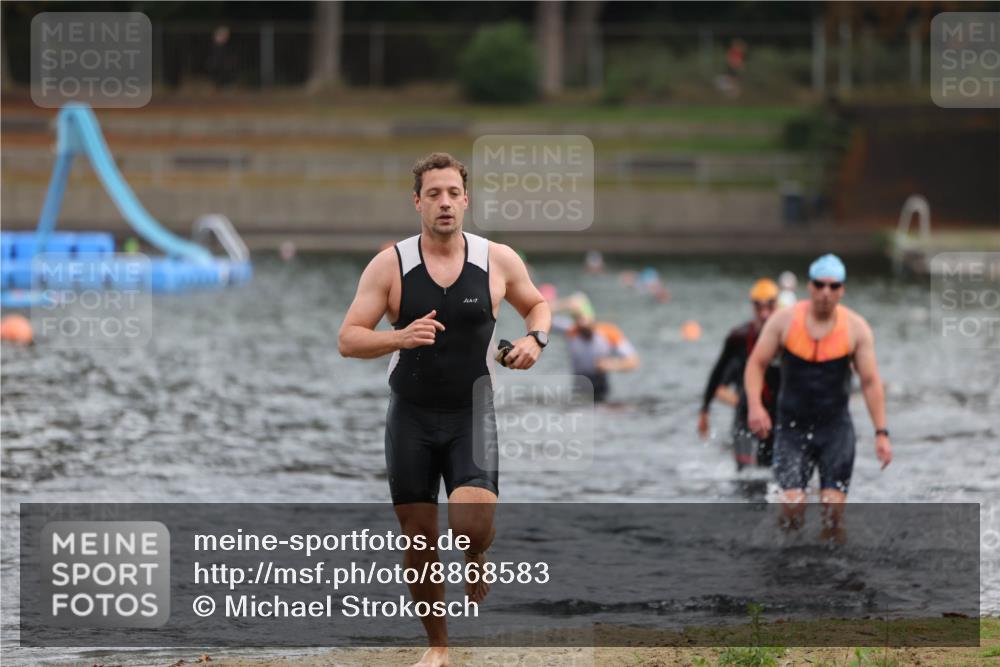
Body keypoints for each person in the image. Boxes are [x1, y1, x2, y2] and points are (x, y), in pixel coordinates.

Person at [338, 153, 551, 667]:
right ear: (417, 202)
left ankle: (476, 552)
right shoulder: (391, 265)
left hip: (470, 413)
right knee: (419, 540)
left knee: (470, 527)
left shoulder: (497, 259)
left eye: (453, 193)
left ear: (466, 199)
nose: (445, 202)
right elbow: (348, 339)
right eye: (433, 194)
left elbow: (537, 305)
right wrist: (399, 337)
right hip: (410, 416)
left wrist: (535, 340)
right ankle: (438, 647)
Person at [744, 254, 892, 541]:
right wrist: (754, 405)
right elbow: (756, 364)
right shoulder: (784, 321)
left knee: (832, 513)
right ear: (810, 287)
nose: (826, 292)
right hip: (792, 429)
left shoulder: (856, 328)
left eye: (833, 286)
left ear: (842, 290)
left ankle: (831, 562)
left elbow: (871, 382)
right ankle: (785, 559)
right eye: (820, 285)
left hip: (835, 430)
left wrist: (881, 433)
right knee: (792, 508)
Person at [698, 278, 781, 470]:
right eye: (759, 307)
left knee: (770, 472)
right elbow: (717, 372)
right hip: (746, 413)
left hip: (778, 415)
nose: (764, 313)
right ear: (752, 307)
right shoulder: (739, 337)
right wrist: (704, 410)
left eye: (770, 306)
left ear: (777, 305)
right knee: (745, 474)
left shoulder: (788, 337)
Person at [552, 293, 639, 403]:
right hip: (580, 385)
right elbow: (541, 317)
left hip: (600, 386)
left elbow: (634, 361)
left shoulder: (608, 332)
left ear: (592, 317)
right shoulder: (570, 331)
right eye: (577, 319)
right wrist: (565, 304)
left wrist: (612, 365)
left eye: (584, 319)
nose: (582, 324)